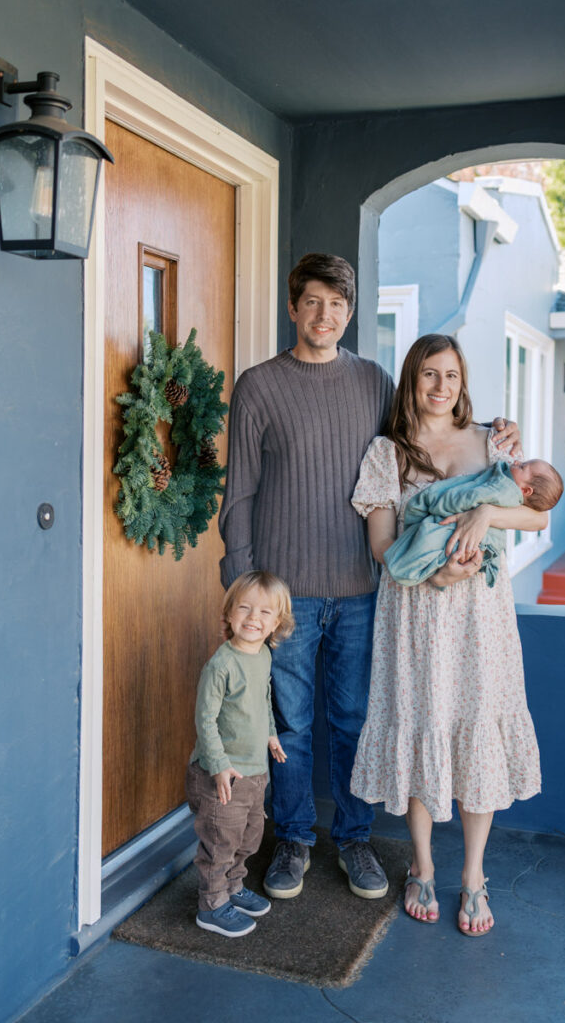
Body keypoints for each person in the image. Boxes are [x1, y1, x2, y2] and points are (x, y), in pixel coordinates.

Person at [218, 253, 520, 902]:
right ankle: (295, 838)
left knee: (354, 721)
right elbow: (238, 490)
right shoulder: (258, 385)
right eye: (313, 302)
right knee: (291, 724)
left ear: (348, 314)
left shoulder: (375, 381)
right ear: (293, 306)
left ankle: (353, 839)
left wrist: (501, 428)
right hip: (283, 591)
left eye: (337, 304)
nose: (324, 315)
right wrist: (239, 576)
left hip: (363, 588)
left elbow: (436, 419)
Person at [350, 333, 546, 936]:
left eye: (452, 377)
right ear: (412, 381)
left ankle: (474, 878)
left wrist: (486, 514)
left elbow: (537, 511)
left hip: (481, 619)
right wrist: (435, 573)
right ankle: (424, 866)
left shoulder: (493, 441)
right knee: (422, 725)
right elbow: (382, 548)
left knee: (475, 730)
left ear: (464, 384)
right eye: (430, 375)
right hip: (415, 613)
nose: (441, 387)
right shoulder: (388, 452)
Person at [186, 570, 294, 937]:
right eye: (245, 608)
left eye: (265, 613)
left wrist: (270, 734)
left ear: (277, 622)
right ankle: (212, 904)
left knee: (249, 836)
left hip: (255, 771)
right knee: (221, 840)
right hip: (223, 776)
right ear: (229, 614)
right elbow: (205, 719)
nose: (254, 618)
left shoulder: (262, 654)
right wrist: (218, 766)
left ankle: (233, 887)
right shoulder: (221, 665)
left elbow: (262, 700)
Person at [385, 457, 563, 588]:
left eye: (523, 466)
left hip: (465, 556)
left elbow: (471, 497)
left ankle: (406, 569)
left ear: (525, 490)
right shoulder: (510, 486)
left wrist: (441, 504)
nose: (516, 461)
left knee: (428, 540)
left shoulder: (504, 489)